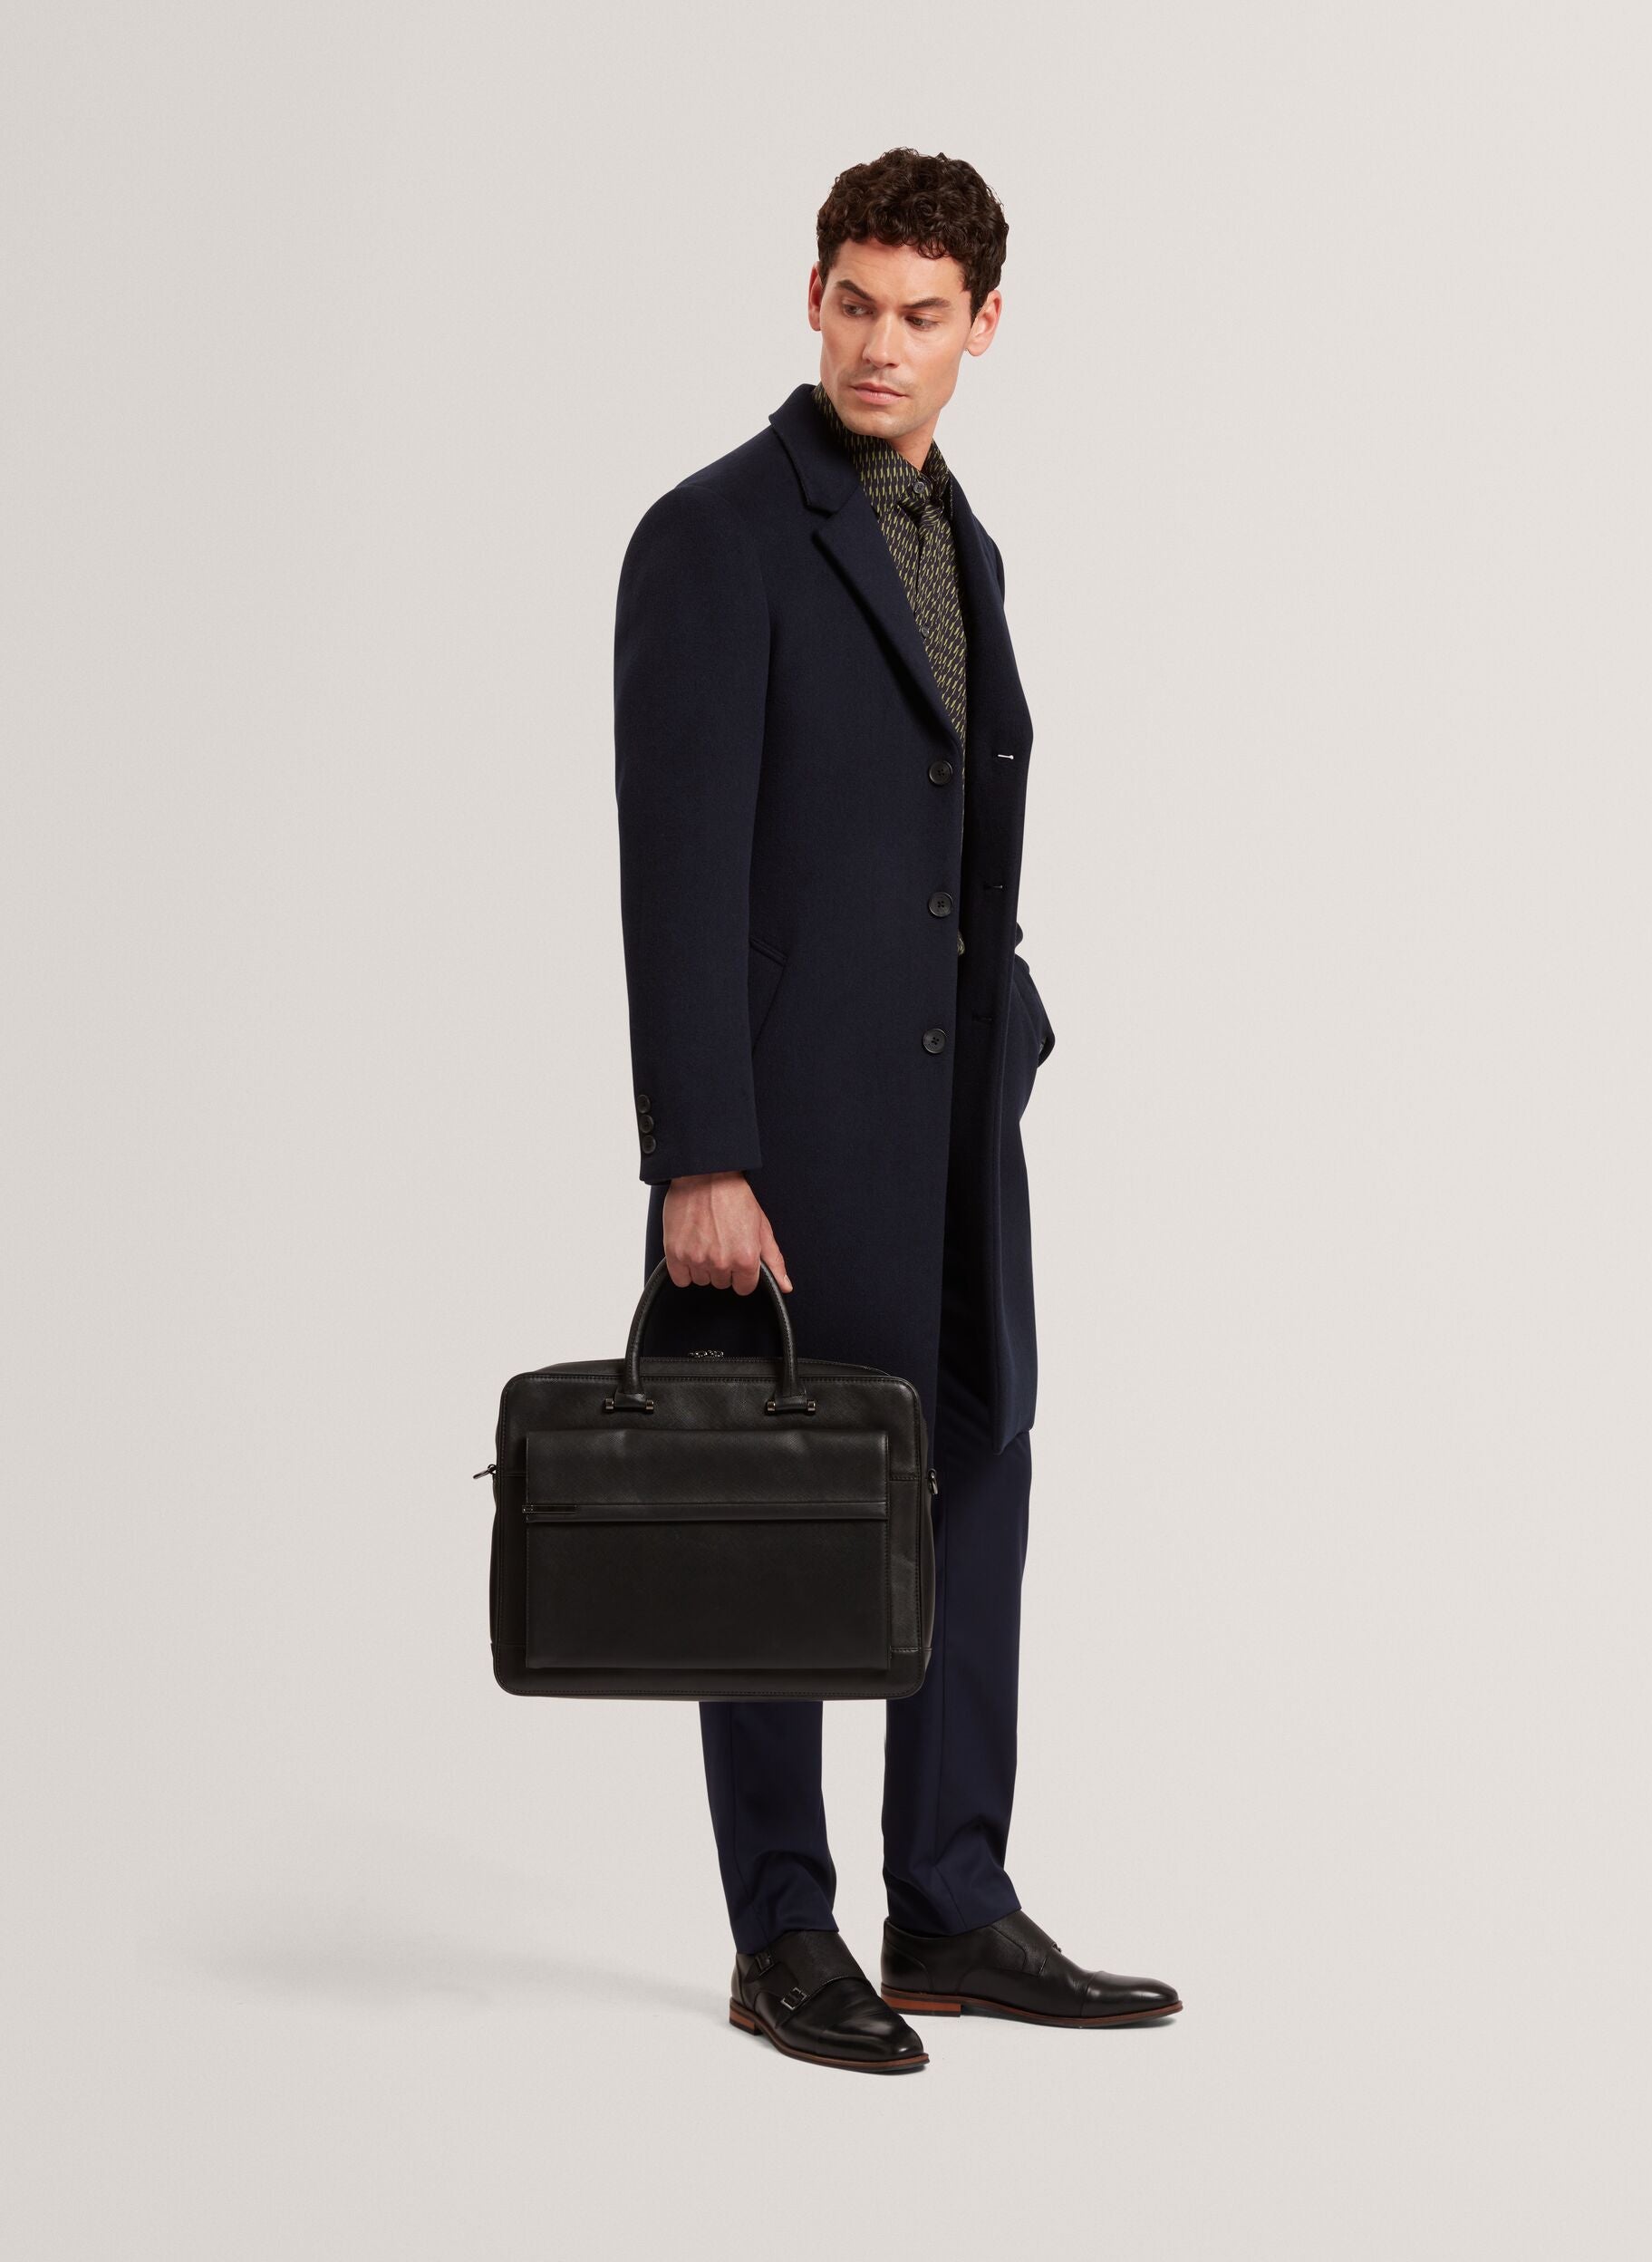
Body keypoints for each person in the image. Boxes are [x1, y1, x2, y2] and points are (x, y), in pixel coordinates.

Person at [613, 147, 1181, 2073]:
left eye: (922, 315)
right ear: (813, 299)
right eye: (854, 303)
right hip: (784, 1130)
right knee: (777, 1502)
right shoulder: (715, 535)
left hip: (950, 1117)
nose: (880, 344)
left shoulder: (962, 540)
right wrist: (701, 1151)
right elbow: (678, 870)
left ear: (982, 327)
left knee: (979, 1461)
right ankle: (785, 1932)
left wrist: (1005, 1043)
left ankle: (949, 1900)